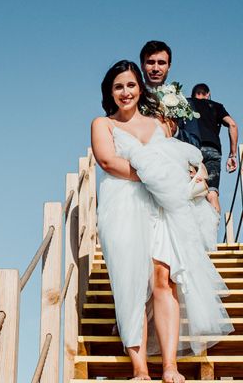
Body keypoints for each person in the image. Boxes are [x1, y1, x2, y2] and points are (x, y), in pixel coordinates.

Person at [91, 61, 232, 382]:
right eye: (117, 87)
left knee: (163, 279)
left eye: (130, 85)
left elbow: (177, 156)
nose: (125, 92)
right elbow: (108, 161)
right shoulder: (103, 123)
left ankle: (170, 366)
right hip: (124, 204)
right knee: (131, 283)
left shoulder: (159, 123)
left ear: (140, 87)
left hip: (162, 207)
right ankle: (139, 368)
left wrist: (193, 175)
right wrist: (160, 177)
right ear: (110, 92)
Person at [139, 41, 201, 147]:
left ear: (169, 66)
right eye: (150, 62)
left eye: (161, 63)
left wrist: (175, 130)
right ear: (142, 65)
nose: (155, 68)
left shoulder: (184, 103)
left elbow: (196, 143)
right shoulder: (131, 99)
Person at [189, 83, 239, 214]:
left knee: (191, 193)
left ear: (193, 94)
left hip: (192, 149)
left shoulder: (187, 104)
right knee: (212, 194)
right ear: (208, 94)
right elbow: (232, 125)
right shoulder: (216, 106)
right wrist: (232, 155)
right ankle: (212, 232)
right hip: (212, 150)